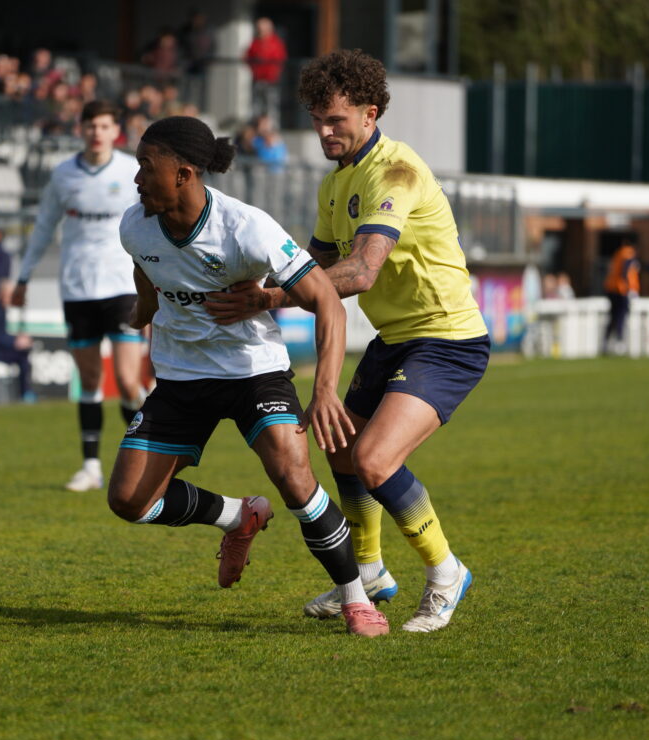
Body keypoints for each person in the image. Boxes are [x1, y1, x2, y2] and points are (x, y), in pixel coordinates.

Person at [204, 50, 488, 634]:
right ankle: (370, 573)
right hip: (395, 340)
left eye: (336, 120)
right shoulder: (336, 184)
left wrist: (268, 298)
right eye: (316, 119)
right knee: (338, 448)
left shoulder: (395, 172)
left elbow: (359, 274)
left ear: (370, 113)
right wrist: (260, 285)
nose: (324, 131)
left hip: (446, 339)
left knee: (375, 460)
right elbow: (314, 270)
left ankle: (446, 572)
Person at [109, 115, 388, 637]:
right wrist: (141, 315)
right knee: (129, 502)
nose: (137, 178)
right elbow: (146, 274)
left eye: (147, 166)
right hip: (181, 377)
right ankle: (238, 517)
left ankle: (356, 599)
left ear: (184, 173)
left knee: (293, 475)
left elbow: (327, 303)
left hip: (252, 370)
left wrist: (323, 390)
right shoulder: (134, 225)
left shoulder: (245, 228)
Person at [14, 100, 145, 492]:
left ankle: (151, 453)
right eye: (90, 126)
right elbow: (42, 227)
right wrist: (23, 276)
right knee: (88, 379)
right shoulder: (63, 175)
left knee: (125, 380)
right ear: (81, 130)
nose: (96, 132)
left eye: (104, 125)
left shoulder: (130, 171)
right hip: (77, 288)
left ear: (114, 131)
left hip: (123, 286)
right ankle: (91, 466)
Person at [244, 17, 287, 122]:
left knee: (271, 106)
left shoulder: (275, 43)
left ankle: (271, 128)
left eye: (262, 29)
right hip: (258, 79)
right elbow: (248, 56)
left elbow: (280, 59)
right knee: (256, 106)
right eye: (258, 29)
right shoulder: (256, 42)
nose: (260, 31)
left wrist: (273, 73)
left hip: (271, 81)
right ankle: (256, 126)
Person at [603, 236, 640, 354]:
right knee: (620, 316)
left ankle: (606, 342)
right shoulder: (628, 254)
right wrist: (629, 287)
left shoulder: (618, 254)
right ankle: (619, 342)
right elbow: (625, 270)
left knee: (613, 317)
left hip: (612, 288)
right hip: (622, 290)